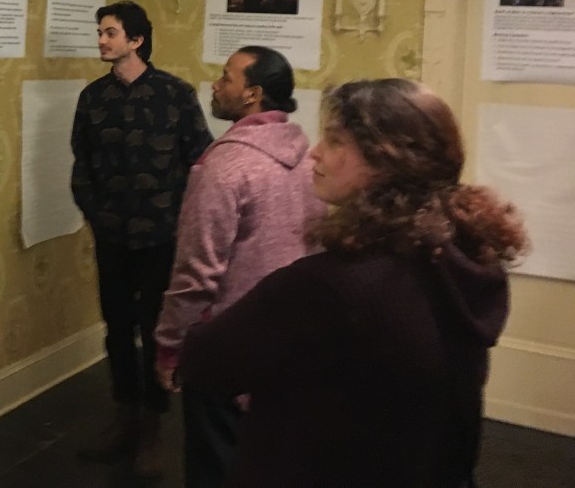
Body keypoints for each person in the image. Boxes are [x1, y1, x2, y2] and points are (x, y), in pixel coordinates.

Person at [180, 79, 527, 488]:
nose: (316, 151)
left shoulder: (329, 287)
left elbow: (204, 362)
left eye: (335, 140)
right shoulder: (466, 258)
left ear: (387, 159)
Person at [154, 46, 324, 488]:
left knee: (216, 466)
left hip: (228, 346)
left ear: (253, 94)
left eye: (226, 77)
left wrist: (171, 346)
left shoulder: (223, 167)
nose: (215, 84)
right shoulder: (312, 159)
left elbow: (196, 273)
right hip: (292, 339)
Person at [70, 0, 213, 478]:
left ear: (136, 40)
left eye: (110, 32)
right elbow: (82, 163)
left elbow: (201, 161)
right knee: (116, 328)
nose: (101, 40)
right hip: (112, 235)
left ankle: (152, 428)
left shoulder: (175, 94)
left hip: (161, 236)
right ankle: (124, 417)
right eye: (100, 32)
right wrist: (96, 214)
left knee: (155, 330)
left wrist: (182, 220)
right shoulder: (93, 98)